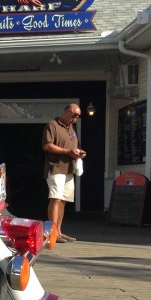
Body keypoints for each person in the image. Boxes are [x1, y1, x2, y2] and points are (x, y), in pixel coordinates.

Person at [42, 103, 86, 243]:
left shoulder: (71, 129)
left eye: (78, 116)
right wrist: (68, 152)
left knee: (63, 201)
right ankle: (51, 233)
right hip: (56, 168)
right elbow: (47, 145)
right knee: (55, 199)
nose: (75, 119)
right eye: (74, 115)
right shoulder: (53, 125)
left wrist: (79, 153)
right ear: (66, 112)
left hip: (69, 169)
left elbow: (73, 147)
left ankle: (59, 232)